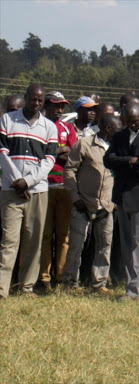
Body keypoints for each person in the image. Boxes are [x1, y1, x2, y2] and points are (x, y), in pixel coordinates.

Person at [0, 83, 58, 298]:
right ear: (26, 98)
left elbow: (49, 160)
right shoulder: (7, 120)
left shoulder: (49, 128)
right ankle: (2, 289)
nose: (36, 103)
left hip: (38, 191)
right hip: (10, 190)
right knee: (9, 241)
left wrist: (28, 181)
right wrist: (17, 181)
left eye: (40, 100)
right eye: (33, 99)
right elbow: (2, 153)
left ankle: (26, 287)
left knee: (34, 240)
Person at [104, 102, 139, 300]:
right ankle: (138, 283)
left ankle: (134, 289)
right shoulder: (120, 135)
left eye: (135, 122)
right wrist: (129, 160)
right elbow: (108, 160)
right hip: (121, 194)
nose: (131, 125)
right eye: (128, 122)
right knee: (127, 243)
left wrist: (124, 162)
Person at [62, 115, 121, 294]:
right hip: (83, 203)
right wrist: (75, 197)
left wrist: (116, 201)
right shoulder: (85, 144)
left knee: (104, 245)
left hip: (107, 206)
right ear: (107, 128)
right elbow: (70, 170)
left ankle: (99, 283)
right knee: (76, 245)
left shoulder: (119, 148)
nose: (120, 132)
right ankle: (69, 283)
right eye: (117, 129)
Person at [39, 91, 78, 290]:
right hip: (43, 187)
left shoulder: (67, 127)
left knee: (64, 235)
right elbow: (39, 154)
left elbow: (72, 154)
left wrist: (53, 152)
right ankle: (44, 278)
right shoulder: (39, 126)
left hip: (64, 186)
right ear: (46, 106)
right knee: (44, 235)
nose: (60, 110)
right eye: (56, 105)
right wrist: (58, 151)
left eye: (62, 106)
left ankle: (61, 276)